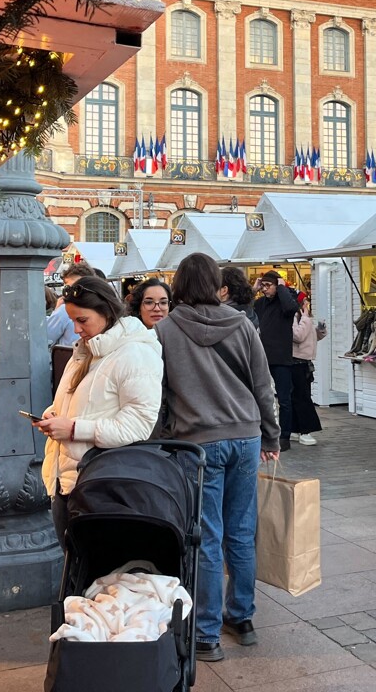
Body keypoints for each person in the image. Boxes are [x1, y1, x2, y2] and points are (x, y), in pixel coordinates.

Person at [155, 253, 280, 663]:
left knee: (206, 536)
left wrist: (159, 439)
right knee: (241, 531)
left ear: (179, 286)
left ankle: (206, 634)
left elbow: (159, 394)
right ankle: (241, 618)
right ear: (215, 284)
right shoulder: (243, 324)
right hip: (244, 437)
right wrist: (271, 434)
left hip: (196, 443)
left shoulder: (167, 330)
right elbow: (263, 385)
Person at [36, 276, 163, 544]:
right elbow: (82, 401)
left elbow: (138, 424)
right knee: (75, 568)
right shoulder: (87, 349)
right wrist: (54, 413)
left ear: (105, 312)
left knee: (92, 572)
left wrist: (72, 429)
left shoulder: (134, 354)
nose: (76, 328)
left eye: (82, 320)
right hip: (70, 479)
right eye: (72, 320)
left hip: (102, 486)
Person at [253, 269, 299, 451]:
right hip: (262, 356)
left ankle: (285, 436)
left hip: (281, 357)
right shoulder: (262, 303)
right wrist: (254, 289)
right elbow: (243, 308)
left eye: (267, 285)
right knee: (260, 396)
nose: (264, 289)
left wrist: (281, 287)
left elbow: (291, 308)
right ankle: (262, 432)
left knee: (284, 399)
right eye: (262, 285)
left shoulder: (285, 303)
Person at [289, 293, 322, 446]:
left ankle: (295, 428)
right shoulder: (296, 317)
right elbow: (298, 336)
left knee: (299, 396)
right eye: (305, 301)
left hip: (303, 361)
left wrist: (320, 331)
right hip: (296, 361)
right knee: (302, 397)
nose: (307, 304)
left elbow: (309, 336)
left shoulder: (302, 318)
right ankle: (305, 430)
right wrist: (307, 318)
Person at [45, 262, 96, 348]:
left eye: (77, 288)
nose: (77, 330)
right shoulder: (100, 306)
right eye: (67, 288)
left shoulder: (63, 310)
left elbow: (45, 338)